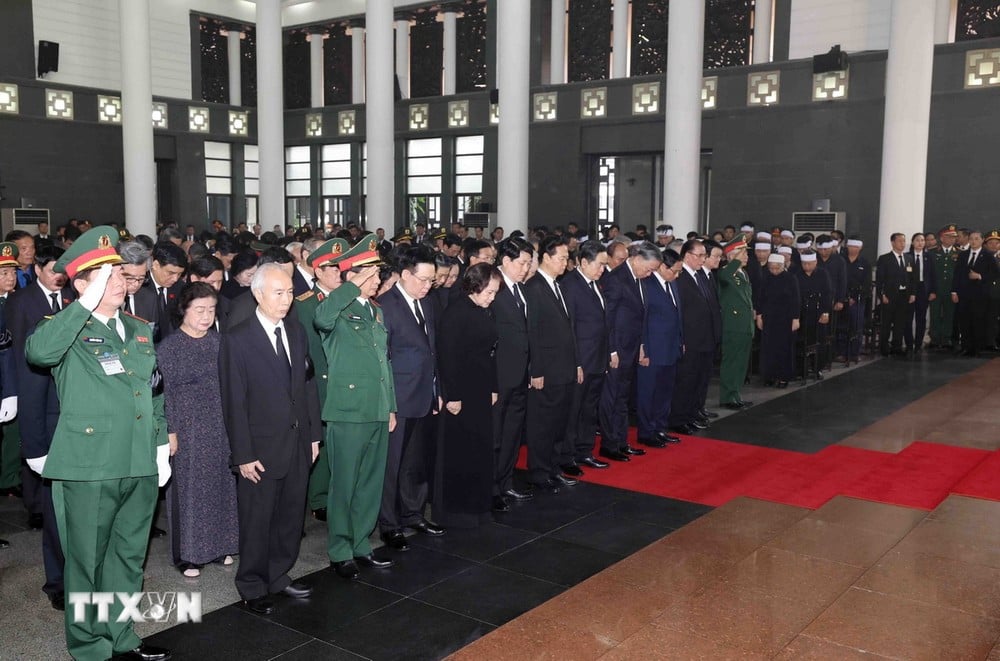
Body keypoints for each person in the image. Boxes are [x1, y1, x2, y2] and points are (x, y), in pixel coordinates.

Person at [25, 226, 171, 661]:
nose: (120, 284)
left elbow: (155, 391)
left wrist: (160, 446)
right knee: (86, 562)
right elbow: (39, 353)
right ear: (81, 283)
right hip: (89, 464)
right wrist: (83, 305)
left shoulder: (139, 329)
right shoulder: (64, 328)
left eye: (120, 275)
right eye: (106, 276)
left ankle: (121, 635)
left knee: (128, 558)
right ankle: (89, 645)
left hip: (138, 460)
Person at [219, 263, 322, 615]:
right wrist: (243, 455)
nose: (286, 300)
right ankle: (251, 584)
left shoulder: (295, 331)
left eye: (290, 292)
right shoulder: (237, 338)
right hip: (259, 448)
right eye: (278, 293)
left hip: (297, 442)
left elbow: (307, 386)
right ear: (258, 294)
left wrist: (313, 435)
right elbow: (234, 401)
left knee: (290, 516)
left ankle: (279, 574)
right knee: (257, 520)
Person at [314, 235, 397, 579]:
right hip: (348, 411)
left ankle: (362, 543)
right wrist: (351, 283)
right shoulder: (335, 306)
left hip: (376, 409)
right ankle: (340, 549)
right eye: (372, 275)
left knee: (369, 483)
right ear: (355, 276)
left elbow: (384, 363)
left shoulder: (375, 311)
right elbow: (322, 319)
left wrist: (390, 406)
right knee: (345, 483)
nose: (378, 281)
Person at [6, 242, 72, 609]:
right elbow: (21, 356)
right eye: (54, 270)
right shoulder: (22, 301)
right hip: (42, 406)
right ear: (40, 269)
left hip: (74, 418)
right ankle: (58, 583)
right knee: (52, 507)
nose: (61, 276)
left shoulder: (73, 301)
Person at [159, 282, 238, 579]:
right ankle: (187, 555)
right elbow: (163, 392)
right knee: (189, 492)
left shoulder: (220, 342)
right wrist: (170, 430)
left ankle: (219, 546)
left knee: (221, 486)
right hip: (187, 426)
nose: (206, 316)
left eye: (211, 310)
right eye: (199, 310)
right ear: (184, 310)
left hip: (220, 425)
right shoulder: (170, 347)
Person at [376, 244, 445, 551]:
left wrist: (438, 390)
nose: (427, 286)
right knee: (392, 465)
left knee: (416, 462)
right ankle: (390, 524)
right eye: (423, 280)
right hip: (398, 400)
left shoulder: (428, 303)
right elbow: (383, 360)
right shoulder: (385, 306)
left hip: (424, 396)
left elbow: (434, 351)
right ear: (404, 275)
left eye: (431, 280)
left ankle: (413, 513)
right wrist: (388, 405)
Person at [434, 263, 501, 527]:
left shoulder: (483, 310)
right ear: (475, 286)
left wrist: (494, 387)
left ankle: (479, 504)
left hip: (482, 389)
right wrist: (453, 396)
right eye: (489, 292)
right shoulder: (456, 312)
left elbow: (491, 352)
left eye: (495, 292)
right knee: (462, 451)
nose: (492, 297)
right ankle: (459, 509)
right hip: (461, 393)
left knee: (481, 448)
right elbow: (448, 356)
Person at [295, 238, 348, 523]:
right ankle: (319, 498)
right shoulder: (303, 305)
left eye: (341, 269)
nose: (339, 274)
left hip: (345, 381)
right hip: (321, 381)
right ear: (318, 271)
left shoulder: (349, 298)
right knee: (322, 441)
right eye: (332, 269)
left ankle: (338, 493)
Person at [523, 235, 579, 491]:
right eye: (562, 258)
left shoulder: (559, 285)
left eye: (568, 258)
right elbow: (533, 332)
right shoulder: (534, 287)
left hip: (564, 368)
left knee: (559, 422)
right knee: (543, 424)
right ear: (546, 257)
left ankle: (554, 468)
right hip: (546, 370)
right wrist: (537, 369)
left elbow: (568, 329)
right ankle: (539, 472)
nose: (566, 263)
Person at [599, 241, 662, 458]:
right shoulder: (616, 279)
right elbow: (608, 319)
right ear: (635, 259)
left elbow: (640, 317)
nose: (650, 273)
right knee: (611, 398)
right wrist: (612, 350)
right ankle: (609, 445)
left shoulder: (638, 278)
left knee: (623, 397)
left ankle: (621, 440)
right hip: (617, 350)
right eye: (649, 268)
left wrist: (642, 345)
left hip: (631, 348)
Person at [489, 238, 534, 512]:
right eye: (522, 263)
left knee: (512, 434)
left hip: (519, 375)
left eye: (529, 263)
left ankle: (505, 481)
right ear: (505, 261)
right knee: (495, 435)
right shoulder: (494, 289)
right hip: (499, 377)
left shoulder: (521, 290)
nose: (526, 268)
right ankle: (492, 487)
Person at [559, 240, 611, 472]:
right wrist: (577, 362)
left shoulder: (595, 284)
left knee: (590, 410)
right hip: (581, 360)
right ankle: (567, 457)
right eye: (599, 265)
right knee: (574, 412)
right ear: (582, 262)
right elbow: (569, 328)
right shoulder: (570, 285)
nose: (603, 270)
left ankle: (584, 451)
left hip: (597, 359)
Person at [669, 240, 721, 434]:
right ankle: (678, 419)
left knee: (698, 382)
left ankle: (690, 415)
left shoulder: (701, 276)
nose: (703, 259)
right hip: (690, 341)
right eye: (700, 255)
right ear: (687, 256)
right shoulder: (680, 278)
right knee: (686, 382)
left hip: (705, 339)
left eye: (704, 255)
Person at [636, 249, 684, 445]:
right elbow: (641, 320)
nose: (677, 275)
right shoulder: (647, 284)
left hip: (671, 347)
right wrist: (643, 348)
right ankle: (647, 432)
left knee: (665, 391)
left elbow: (677, 315)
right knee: (649, 392)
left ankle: (660, 427)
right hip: (652, 350)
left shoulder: (672, 284)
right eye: (675, 271)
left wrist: (681, 340)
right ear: (663, 267)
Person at [717, 238, 755, 409]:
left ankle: (735, 394)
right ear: (733, 255)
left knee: (741, 363)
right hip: (732, 326)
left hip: (745, 325)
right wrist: (736, 261)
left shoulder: (742, 273)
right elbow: (724, 277)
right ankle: (727, 397)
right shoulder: (725, 272)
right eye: (743, 253)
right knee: (731, 362)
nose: (747, 256)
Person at [757, 254, 801, 388]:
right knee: (768, 348)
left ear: (783, 266)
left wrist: (796, 318)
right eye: (771, 268)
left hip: (785, 318)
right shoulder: (765, 277)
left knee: (784, 348)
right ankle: (769, 375)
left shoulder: (790, 278)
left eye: (777, 268)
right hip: (769, 317)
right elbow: (760, 297)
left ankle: (783, 377)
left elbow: (796, 299)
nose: (774, 271)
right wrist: (759, 316)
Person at [951, 230, 998, 356]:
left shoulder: (988, 255)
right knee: (964, 321)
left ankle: (977, 348)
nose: (973, 241)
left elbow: (995, 273)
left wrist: (980, 276)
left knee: (977, 321)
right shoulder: (963, 255)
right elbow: (957, 274)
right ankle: (966, 347)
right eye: (971, 238)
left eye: (977, 238)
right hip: (964, 294)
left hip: (980, 294)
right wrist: (954, 291)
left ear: (982, 240)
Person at [875, 233, 918, 356]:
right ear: (893, 243)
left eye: (904, 241)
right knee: (887, 323)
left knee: (900, 323)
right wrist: (881, 294)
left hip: (904, 295)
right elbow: (880, 279)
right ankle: (884, 348)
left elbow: (913, 279)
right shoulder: (884, 259)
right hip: (889, 296)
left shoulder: (909, 259)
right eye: (899, 241)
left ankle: (897, 347)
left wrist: (913, 293)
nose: (902, 244)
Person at [795, 251, 833, 379]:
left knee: (818, 341)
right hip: (801, 313)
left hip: (818, 312)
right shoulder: (796, 274)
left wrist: (826, 312)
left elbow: (828, 293)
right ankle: (800, 369)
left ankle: (818, 368)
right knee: (801, 341)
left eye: (809, 263)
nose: (806, 266)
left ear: (815, 262)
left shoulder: (822, 274)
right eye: (804, 263)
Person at [838, 237, 872, 363]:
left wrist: (855, 297)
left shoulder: (864, 263)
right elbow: (839, 280)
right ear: (847, 246)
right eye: (851, 246)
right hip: (842, 298)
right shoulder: (841, 260)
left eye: (856, 247)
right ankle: (841, 352)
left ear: (860, 248)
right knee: (841, 326)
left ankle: (854, 353)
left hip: (858, 300)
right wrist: (845, 297)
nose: (853, 249)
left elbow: (867, 283)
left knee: (857, 327)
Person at [929, 225, 960, 349]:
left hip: (951, 290)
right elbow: (929, 274)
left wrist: (956, 291)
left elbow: (959, 275)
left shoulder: (959, 253)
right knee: (934, 314)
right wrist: (931, 290)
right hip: (936, 290)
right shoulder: (932, 252)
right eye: (949, 237)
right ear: (942, 238)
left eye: (954, 237)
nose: (952, 239)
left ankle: (946, 338)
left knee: (949, 314)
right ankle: (935, 338)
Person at [907, 232, 937, 352]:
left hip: (924, 290)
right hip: (910, 291)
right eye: (918, 240)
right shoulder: (907, 256)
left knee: (921, 318)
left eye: (922, 240)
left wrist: (933, 291)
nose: (920, 243)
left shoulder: (929, 257)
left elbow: (934, 275)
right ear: (913, 242)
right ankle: (909, 343)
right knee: (908, 318)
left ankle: (918, 344)